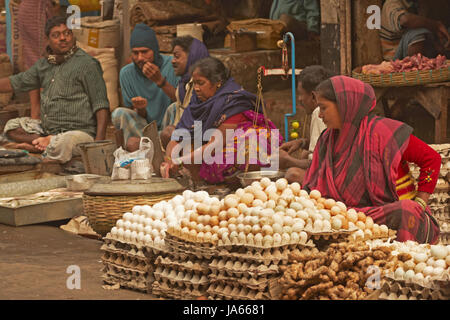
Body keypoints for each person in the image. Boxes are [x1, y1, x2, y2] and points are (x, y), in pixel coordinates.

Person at [301, 75, 440, 244]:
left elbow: (431, 159)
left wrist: (420, 202)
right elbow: (313, 185)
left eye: (323, 108)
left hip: (383, 215)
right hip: (345, 217)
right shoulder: (326, 140)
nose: (320, 115)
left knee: (406, 211)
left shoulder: (383, 132)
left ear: (345, 105)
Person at [0, 16, 110, 164]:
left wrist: (98, 143)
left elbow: (101, 105)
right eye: (56, 35)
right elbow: (16, 82)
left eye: (67, 33)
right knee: (12, 127)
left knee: (66, 142)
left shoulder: (87, 64)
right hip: (47, 130)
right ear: (48, 40)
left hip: (78, 133)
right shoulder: (44, 65)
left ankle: (44, 145)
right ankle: (43, 142)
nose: (63, 38)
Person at [161, 57, 282, 184]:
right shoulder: (196, 102)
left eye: (201, 83)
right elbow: (177, 137)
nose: (196, 88)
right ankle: (197, 182)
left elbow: (214, 144)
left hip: (229, 144)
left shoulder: (233, 102)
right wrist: (169, 159)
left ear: (217, 82)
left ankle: (230, 183)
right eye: (194, 83)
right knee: (170, 135)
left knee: (247, 149)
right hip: (207, 145)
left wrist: (180, 161)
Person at [112, 23, 179, 152]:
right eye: (135, 53)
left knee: (175, 107)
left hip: (169, 128)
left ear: (154, 49)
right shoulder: (126, 73)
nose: (140, 58)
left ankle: (151, 147)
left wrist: (160, 81)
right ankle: (148, 146)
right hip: (144, 130)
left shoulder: (172, 66)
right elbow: (137, 117)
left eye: (144, 52)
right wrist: (140, 109)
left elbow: (180, 102)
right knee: (119, 113)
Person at [278, 65, 331, 183]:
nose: (300, 99)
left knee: (293, 174)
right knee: (305, 154)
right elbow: (326, 143)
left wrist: (288, 161)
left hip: (333, 174)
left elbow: (320, 163)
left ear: (313, 96)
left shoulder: (319, 112)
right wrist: (302, 142)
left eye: (301, 94)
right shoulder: (329, 107)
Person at [159, 36, 210, 148]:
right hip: (186, 137)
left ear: (192, 56)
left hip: (201, 142)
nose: (173, 61)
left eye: (177, 56)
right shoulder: (184, 83)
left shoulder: (203, 85)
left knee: (169, 133)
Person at [380, 0, 450, 60]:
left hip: (409, 48)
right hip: (394, 57)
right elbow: (405, 20)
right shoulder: (391, 3)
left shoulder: (416, 4)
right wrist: (436, 25)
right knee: (417, 33)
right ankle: (415, 69)